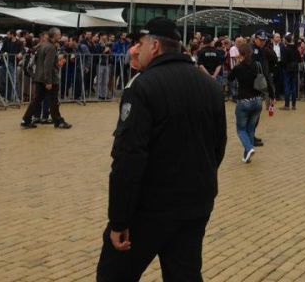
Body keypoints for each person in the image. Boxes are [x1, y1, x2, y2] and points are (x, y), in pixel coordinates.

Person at [96, 18, 226, 281]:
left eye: (140, 44)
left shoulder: (143, 86)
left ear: (154, 46)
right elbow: (218, 146)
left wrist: (119, 220)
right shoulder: (210, 86)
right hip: (195, 203)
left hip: (150, 207)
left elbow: (128, 157)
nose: (136, 50)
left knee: (113, 275)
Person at [20, 27, 72, 129]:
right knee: (53, 100)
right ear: (54, 35)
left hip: (39, 77)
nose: (60, 36)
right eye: (59, 34)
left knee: (37, 100)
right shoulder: (51, 48)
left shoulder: (43, 45)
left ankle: (26, 119)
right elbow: (48, 65)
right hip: (49, 79)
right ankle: (58, 121)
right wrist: (48, 81)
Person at [227, 43, 263, 162]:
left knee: (241, 129)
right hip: (257, 100)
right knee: (250, 128)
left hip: (244, 100)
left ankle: (249, 147)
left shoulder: (238, 67)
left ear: (240, 54)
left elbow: (230, 78)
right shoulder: (257, 65)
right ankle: (246, 156)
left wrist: (237, 64)